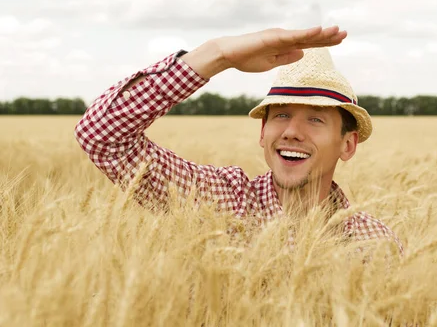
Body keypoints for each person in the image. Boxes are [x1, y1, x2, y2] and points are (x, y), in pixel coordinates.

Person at [74, 25, 403, 254]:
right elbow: (102, 137)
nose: (291, 131)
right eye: (281, 115)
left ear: (348, 144)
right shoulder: (217, 201)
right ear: (263, 133)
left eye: (316, 119)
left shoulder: (373, 240)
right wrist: (219, 56)